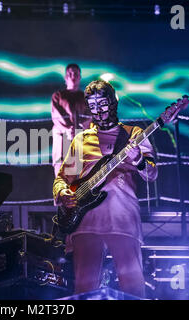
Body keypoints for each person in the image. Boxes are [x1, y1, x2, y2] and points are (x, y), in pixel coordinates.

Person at [53, 80, 158, 298]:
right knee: (84, 288)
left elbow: (152, 173)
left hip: (123, 218)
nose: (98, 109)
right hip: (85, 221)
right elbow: (63, 178)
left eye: (102, 103)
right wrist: (63, 193)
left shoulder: (133, 133)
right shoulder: (81, 140)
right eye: (93, 104)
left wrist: (138, 158)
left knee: (133, 286)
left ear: (113, 102)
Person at [51, 63, 92, 176]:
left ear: (79, 77)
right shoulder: (58, 96)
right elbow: (56, 115)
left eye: (76, 74)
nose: (73, 76)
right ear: (65, 77)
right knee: (62, 173)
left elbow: (89, 116)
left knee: (78, 173)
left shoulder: (85, 97)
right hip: (62, 137)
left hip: (79, 138)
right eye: (70, 73)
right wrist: (68, 129)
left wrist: (79, 129)